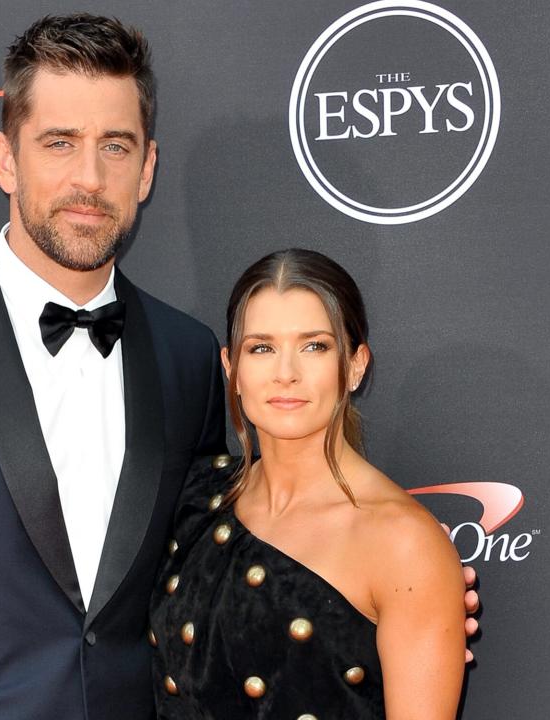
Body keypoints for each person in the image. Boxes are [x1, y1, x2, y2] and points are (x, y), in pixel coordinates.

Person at [0, 14, 478, 720]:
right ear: (4, 159)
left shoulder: (187, 357)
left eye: (116, 146)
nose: (90, 178)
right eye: (59, 143)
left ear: (146, 169)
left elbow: (220, 566)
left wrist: (410, 595)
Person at [151, 248, 467, 719]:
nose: (285, 372)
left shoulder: (403, 543)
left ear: (356, 365)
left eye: (314, 346)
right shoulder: (195, 496)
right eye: (261, 347)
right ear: (230, 367)